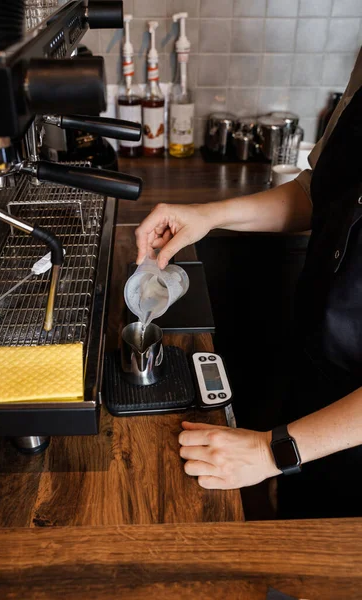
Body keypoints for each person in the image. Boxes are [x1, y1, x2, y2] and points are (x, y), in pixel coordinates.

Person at [135, 48, 362, 519]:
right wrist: (207, 216)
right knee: (301, 525)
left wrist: (272, 451)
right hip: (319, 370)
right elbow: (318, 193)